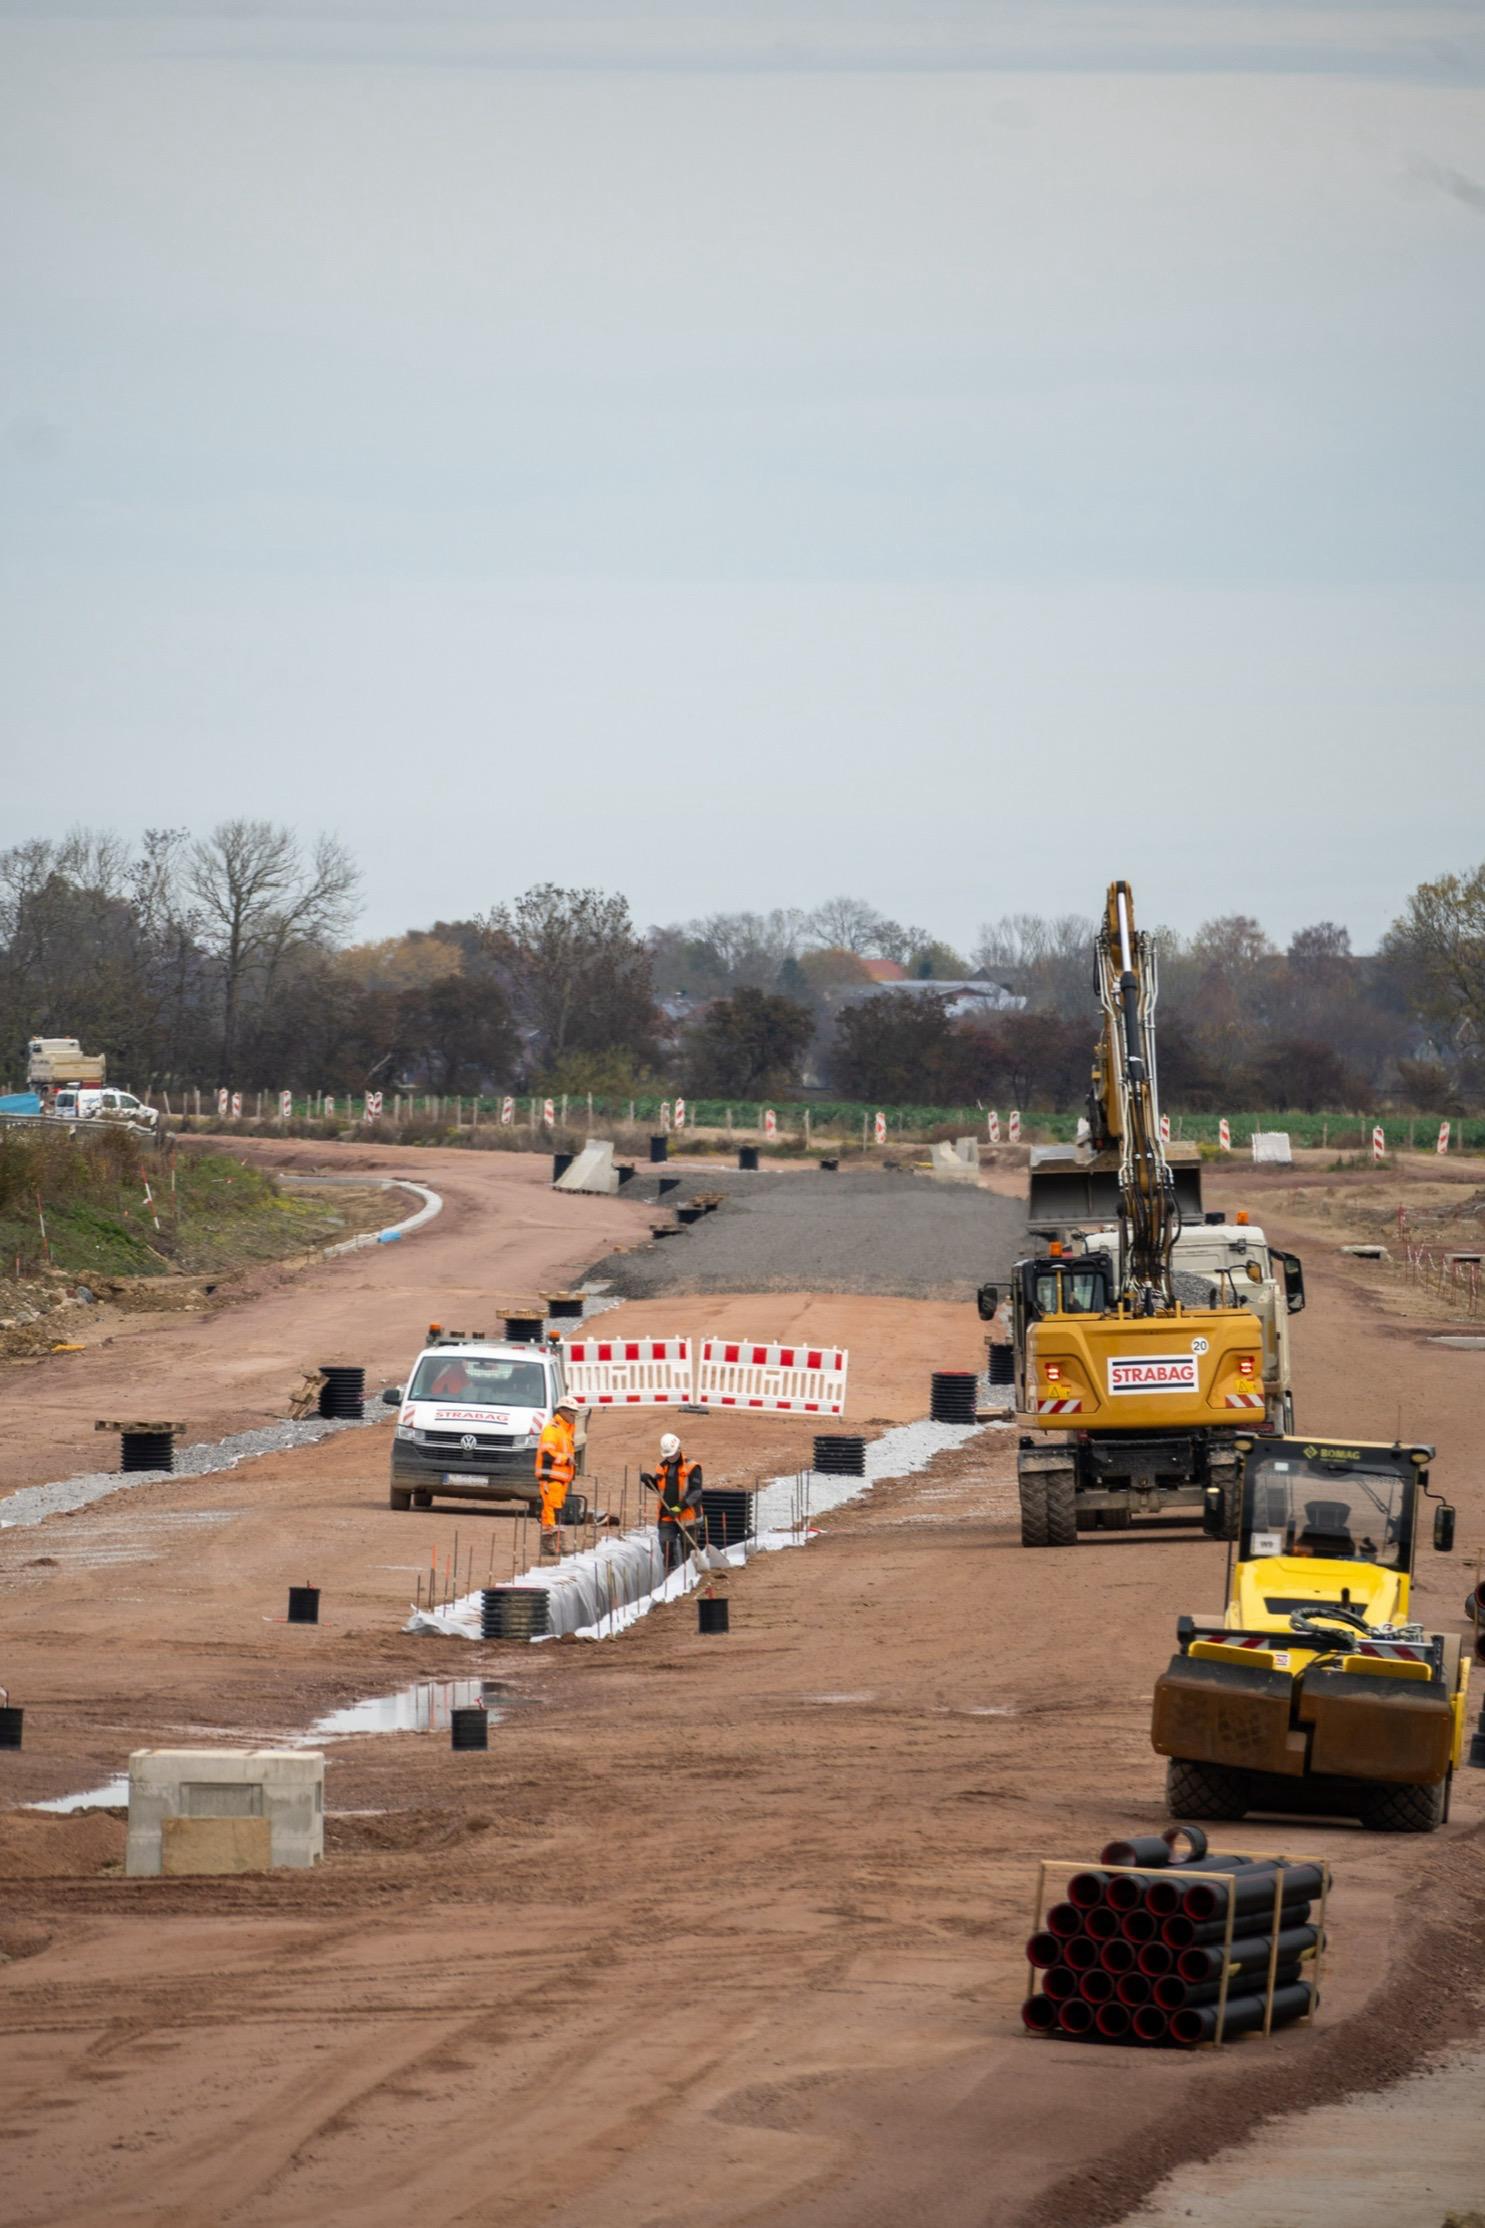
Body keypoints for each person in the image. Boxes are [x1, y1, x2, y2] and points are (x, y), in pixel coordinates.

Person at [643, 1431, 703, 1571]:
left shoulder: (692, 1467)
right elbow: (659, 1488)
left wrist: (679, 1508)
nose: (670, 1457)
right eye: (668, 1455)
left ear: (679, 1449)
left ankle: (690, 1574)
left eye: (672, 1454)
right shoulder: (661, 1467)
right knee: (666, 1544)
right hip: (667, 1515)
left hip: (688, 1516)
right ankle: (671, 1574)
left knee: (688, 1549)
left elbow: (696, 1492)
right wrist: (648, 1481)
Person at [534, 1400, 578, 1558]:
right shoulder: (552, 1430)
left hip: (559, 1479)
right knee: (551, 1512)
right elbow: (547, 1454)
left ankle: (555, 1544)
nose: (574, 1416)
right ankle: (554, 1544)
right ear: (563, 1411)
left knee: (556, 1511)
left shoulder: (565, 1431)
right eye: (572, 1413)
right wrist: (566, 1459)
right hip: (551, 1478)